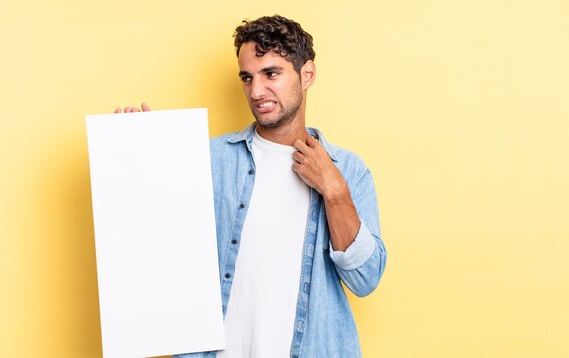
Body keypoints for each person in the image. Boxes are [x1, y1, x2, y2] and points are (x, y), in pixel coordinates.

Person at [116, 15, 387, 358]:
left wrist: (335, 192)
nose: (256, 91)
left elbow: (366, 280)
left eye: (271, 74)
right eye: (247, 78)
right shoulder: (207, 160)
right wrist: (131, 162)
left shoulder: (348, 170)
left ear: (307, 75)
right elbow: (153, 244)